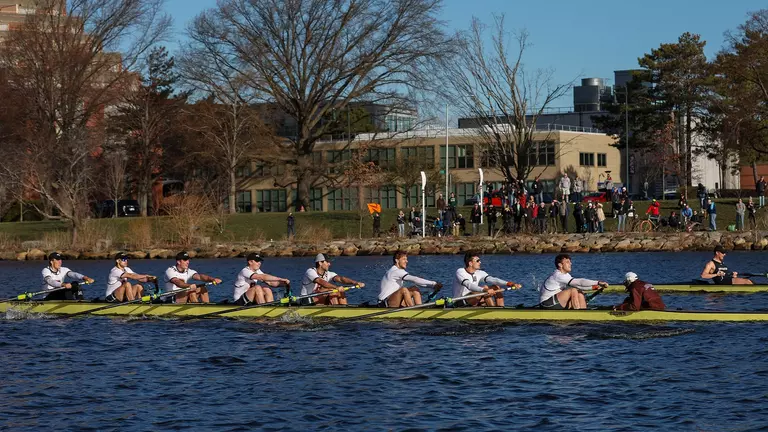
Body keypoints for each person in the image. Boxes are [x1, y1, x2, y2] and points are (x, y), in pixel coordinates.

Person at [539, 254, 608, 309]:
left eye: (570, 262)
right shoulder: (558, 275)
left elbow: (579, 286)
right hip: (546, 304)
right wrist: (598, 282)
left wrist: (594, 287)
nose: (571, 264)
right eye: (567, 262)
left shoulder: (566, 275)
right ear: (560, 265)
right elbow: (580, 282)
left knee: (579, 291)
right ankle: (577, 312)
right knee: (573, 290)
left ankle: (583, 312)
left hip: (556, 302)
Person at [453, 252, 520, 307]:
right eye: (478, 261)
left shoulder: (479, 273)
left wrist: (509, 284)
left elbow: (493, 280)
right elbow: (469, 285)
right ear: (470, 263)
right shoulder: (460, 272)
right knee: (484, 289)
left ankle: (501, 308)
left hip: (475, 298)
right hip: (460, 301)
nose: (480, 262)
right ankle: (493, 310)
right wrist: (485, 290)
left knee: (496, 287)